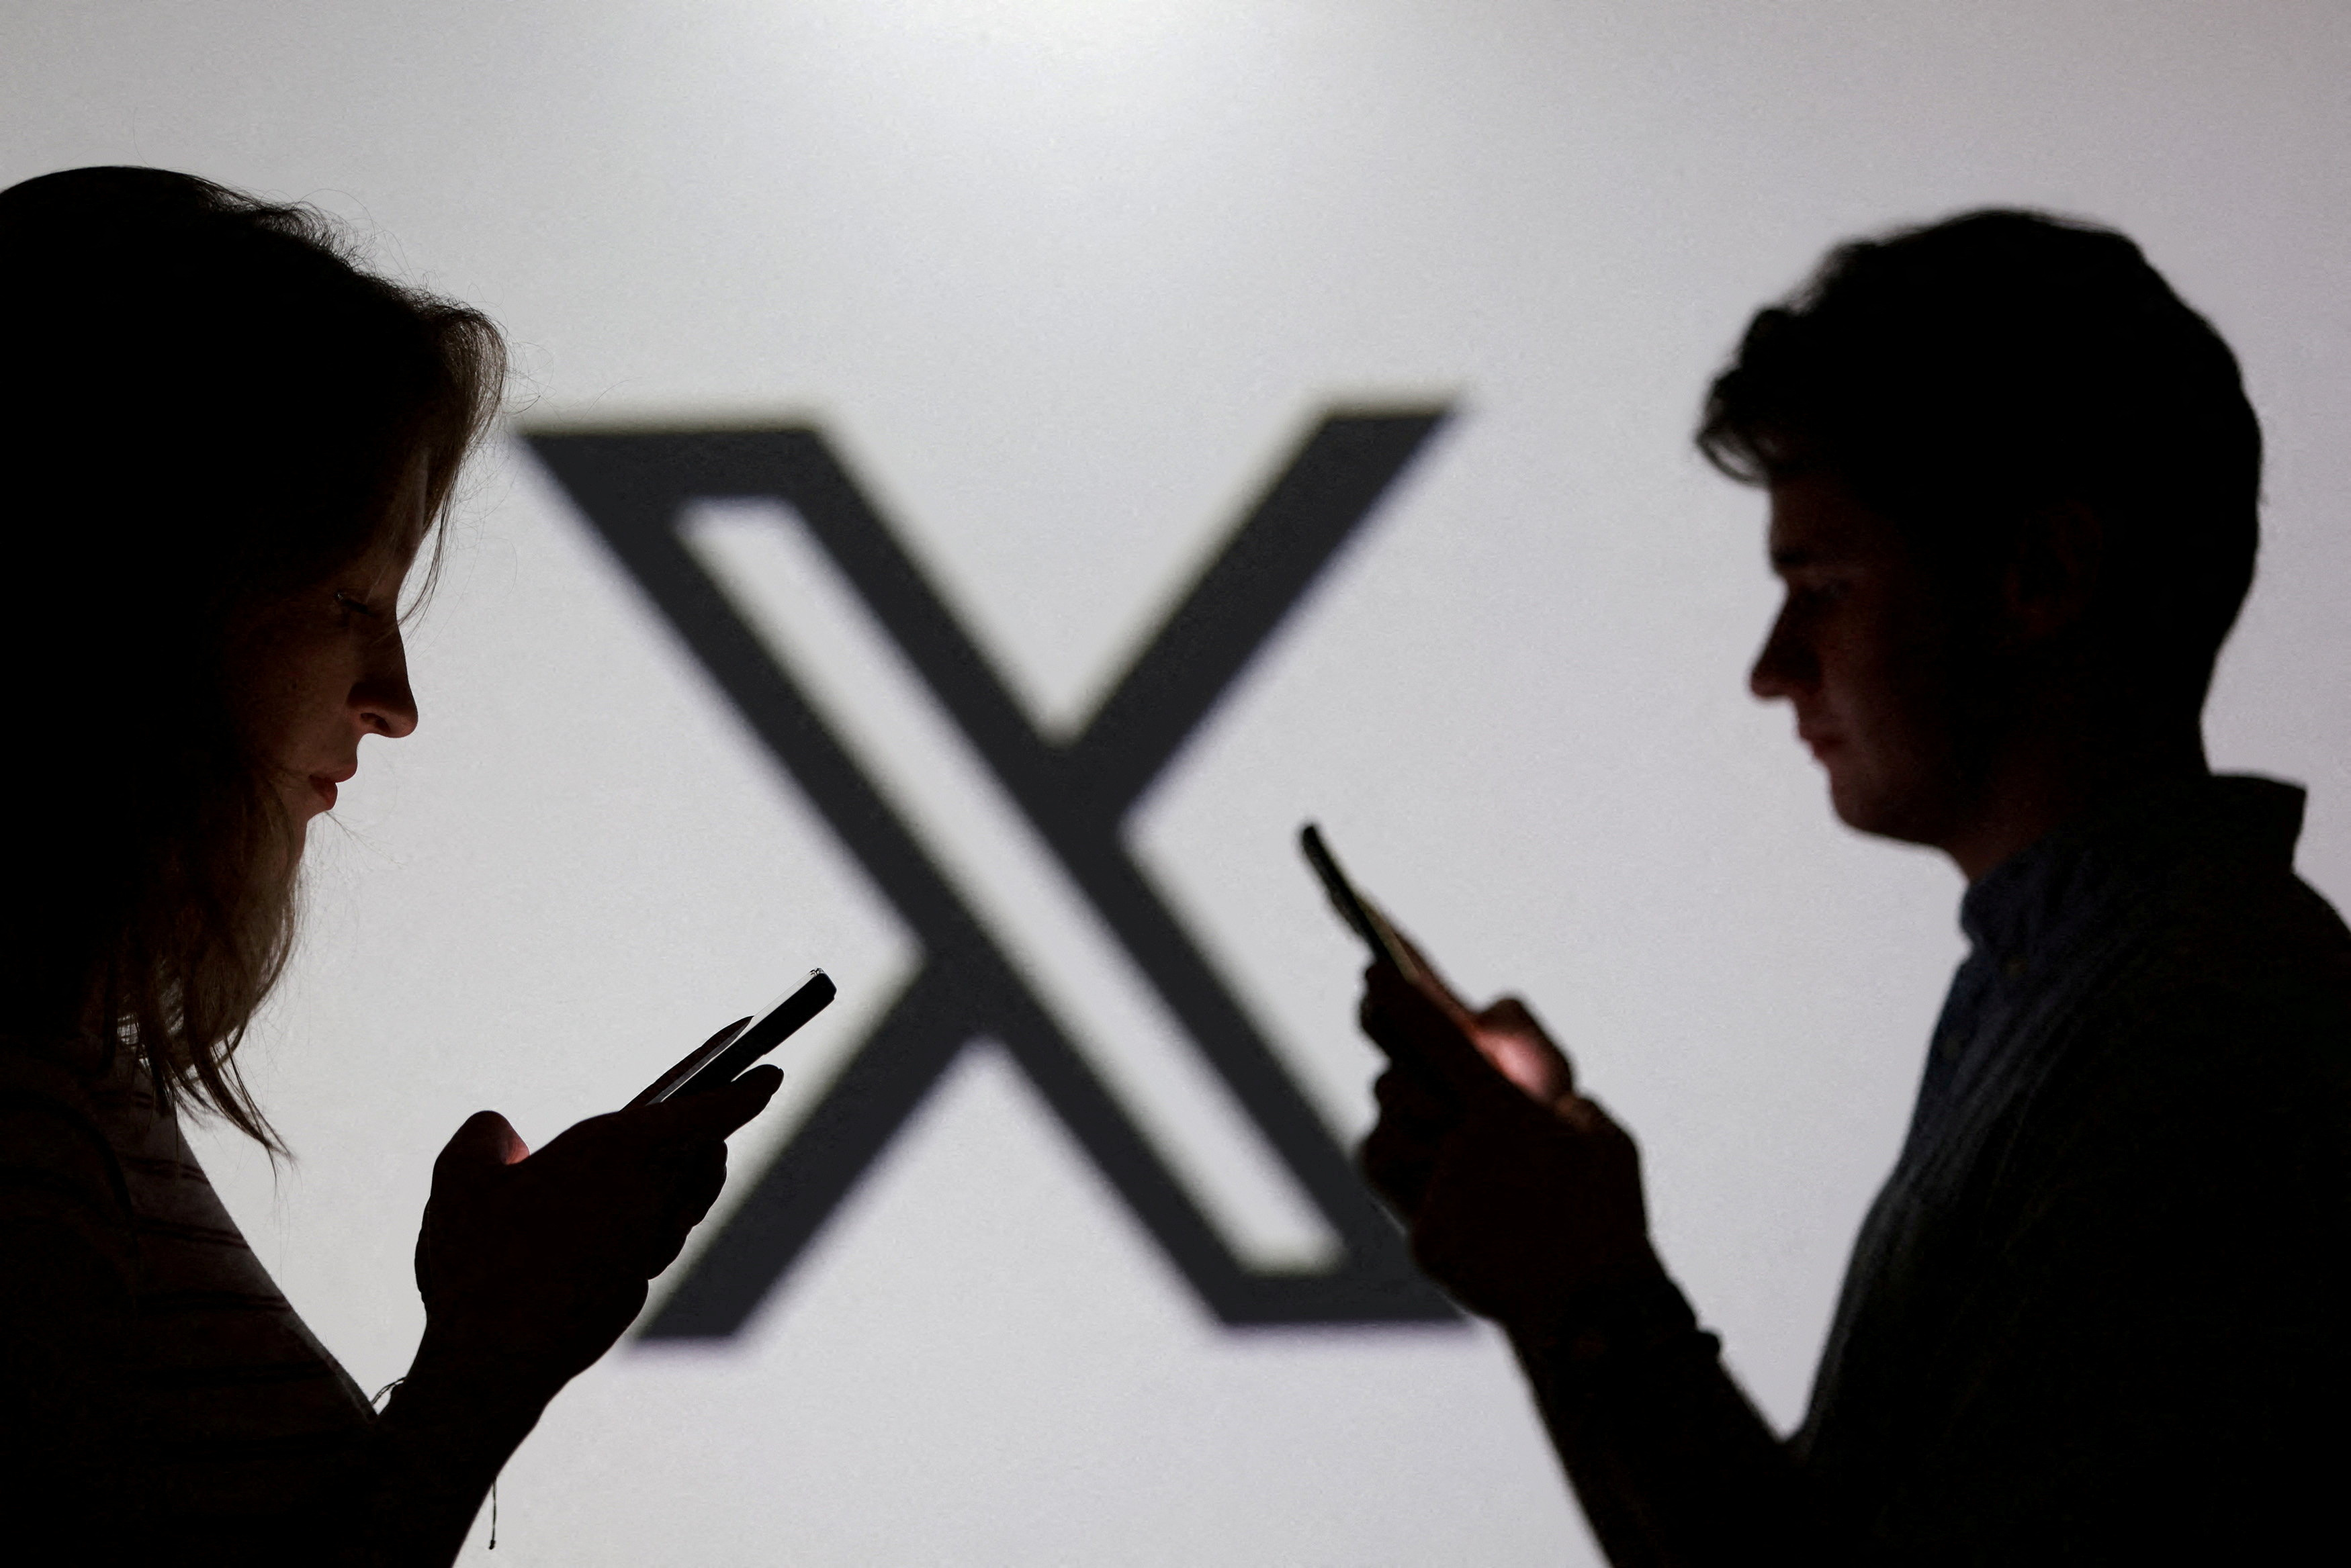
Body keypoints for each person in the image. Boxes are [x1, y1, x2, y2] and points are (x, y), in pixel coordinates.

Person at [1356, 209, 2351, 1564]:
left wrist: (1588, 1291)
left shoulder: (2202, 1043)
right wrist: (1565, 1291)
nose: (1772, 667)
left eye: (1822, 584)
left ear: (2043, 576)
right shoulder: (2075, 996)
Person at [0, 167, 781, 1565]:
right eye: (349, 601)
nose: (396, 701)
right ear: (135, 608)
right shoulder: (23, 1138)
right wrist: (483, 1372)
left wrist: (488, 1355)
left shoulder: (79, 1093)